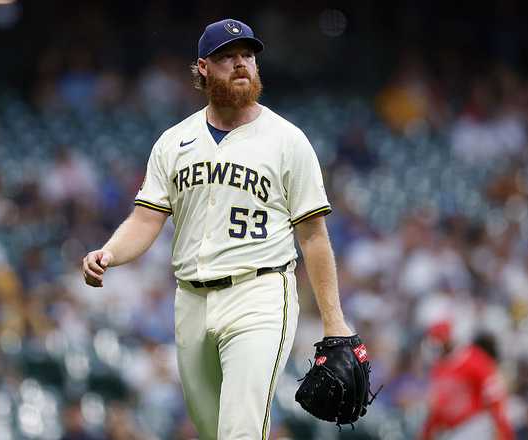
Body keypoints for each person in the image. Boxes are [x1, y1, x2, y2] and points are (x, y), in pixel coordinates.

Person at [83, 18, 358, 439]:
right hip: (191, 299)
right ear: (203, 68)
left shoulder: (287, 140)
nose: (241, 63)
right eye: (227, 57)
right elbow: (145, 218)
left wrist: (334, 321)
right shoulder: (174, 142)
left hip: (259, 293)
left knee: (239, 431)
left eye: (247, 55)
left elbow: (314, 237)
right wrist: (110, 253)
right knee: (213, 431)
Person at [421, 322, 514, 440]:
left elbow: (494, 395)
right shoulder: (437, 369)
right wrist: (427, 433)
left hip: (476, 425)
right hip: (451, 430)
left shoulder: (473, 358)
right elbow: (437, 408)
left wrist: (502, 428)